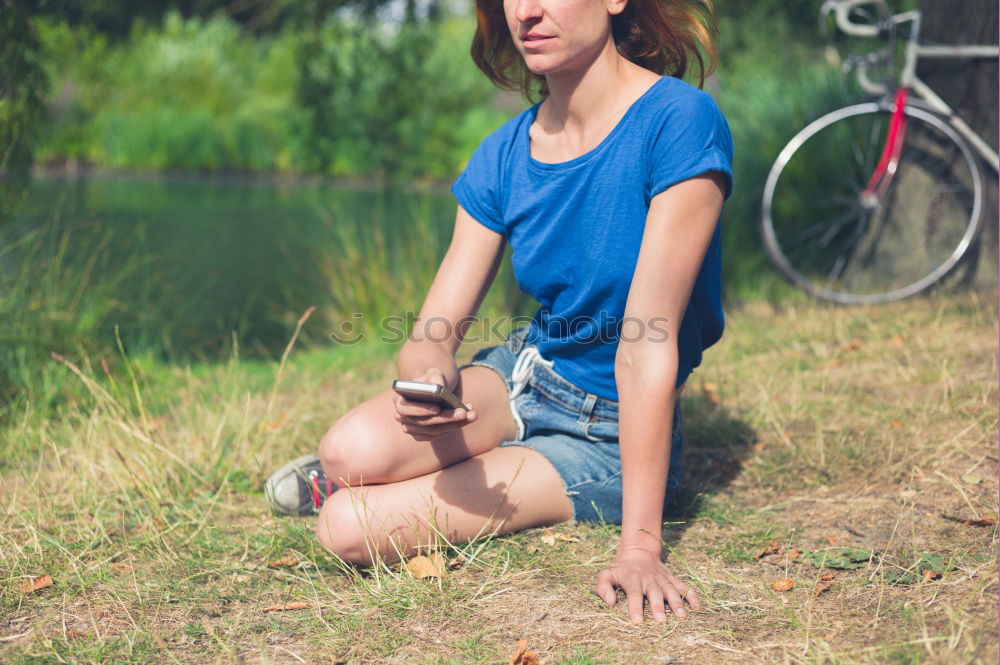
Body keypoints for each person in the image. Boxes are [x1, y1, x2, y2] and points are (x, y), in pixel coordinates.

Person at [265, 0, 732, 625]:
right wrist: (430, 374)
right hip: (525, 376)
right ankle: (364, 470)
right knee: (346, 448)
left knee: (345, 529)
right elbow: (432, 332)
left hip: (607, 433)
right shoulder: (505, 152)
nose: (528, 12)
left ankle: (398, 484)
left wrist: (640, 548)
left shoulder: (679, 121)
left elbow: (647, 344)